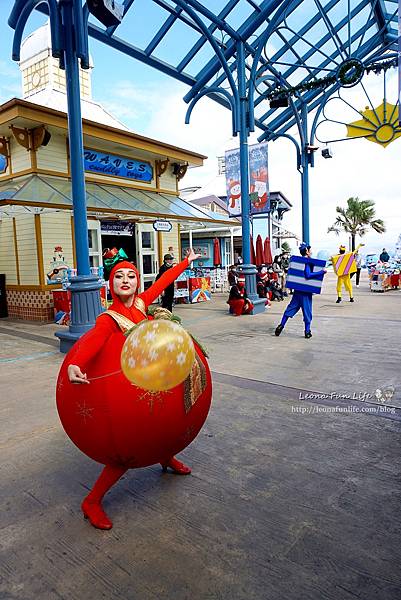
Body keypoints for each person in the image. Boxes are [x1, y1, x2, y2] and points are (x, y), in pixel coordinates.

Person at [65, 247, 204, 530]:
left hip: (159, 381)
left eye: (131, 276)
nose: (125, 281)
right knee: (128, 448)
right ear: (111, 284)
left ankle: (165, 456)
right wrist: (75, 363)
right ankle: (92, 500)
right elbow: (94, 340)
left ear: (138, 282)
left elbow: (163, 283)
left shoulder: (141, 304)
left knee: (167, 422)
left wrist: (186, 263)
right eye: (119, 277)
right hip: (130, 392)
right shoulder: (109, 318)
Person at [275, 243, 326, 339]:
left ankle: (281, 326)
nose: (311, 252)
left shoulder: (298, 263)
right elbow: (308, 275)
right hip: (305, 293)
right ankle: (307, 331)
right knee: (307, 312)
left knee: (290, 308)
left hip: (297, 291)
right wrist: (321, 272)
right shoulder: (306, 262)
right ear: (307, 251)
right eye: (310, 250)